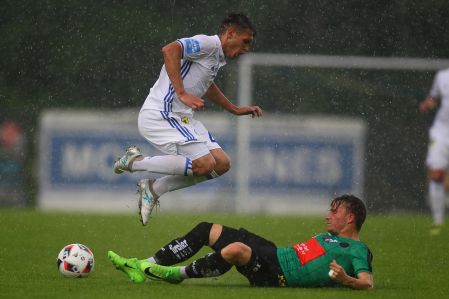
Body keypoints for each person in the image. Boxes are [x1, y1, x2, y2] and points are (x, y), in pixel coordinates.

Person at [113, 13, 262, 226]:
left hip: (182, 118)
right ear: (230, 34)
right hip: (162, 114)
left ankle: (154, 189)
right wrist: (182, 93)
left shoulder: (216, 57)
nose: (247, 48)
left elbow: (206, 85)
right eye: (245, 41)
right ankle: (134, 163)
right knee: (204, 164)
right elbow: (170, 50)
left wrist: (234, 109)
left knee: (221, 164)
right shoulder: (208, 43)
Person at [108, 194, 374, 290]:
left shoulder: (358, 250)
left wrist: (345, 280)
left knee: (235, 250)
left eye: (334, 212)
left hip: (279, 276)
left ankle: (175, 275)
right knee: (207, 229)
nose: (328, 215)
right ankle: (141, 265)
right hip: (274, 254)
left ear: (350, 218)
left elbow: (367, 284)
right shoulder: (326, 236)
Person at [419, 68, 449, 236]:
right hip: (442, 132)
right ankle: (438, 220)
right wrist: (428, 103)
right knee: (437, 174)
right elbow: (435, 98)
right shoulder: (442, 76)